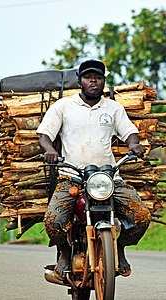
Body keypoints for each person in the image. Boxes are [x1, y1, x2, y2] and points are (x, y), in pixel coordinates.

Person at [37, 59, 151, 279]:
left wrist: (134, 144)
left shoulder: (113, 108)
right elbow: (44, 136)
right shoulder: (63, 107)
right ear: (80, 81)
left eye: (98, 77)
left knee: (141, 216)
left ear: (103, 81)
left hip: (108, 178)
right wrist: (50, 150)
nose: (93, 81)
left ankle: (118, 248)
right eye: (88, 77)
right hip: (72, 177)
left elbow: (129, 132)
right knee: (52, 221)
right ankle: (65, 252)